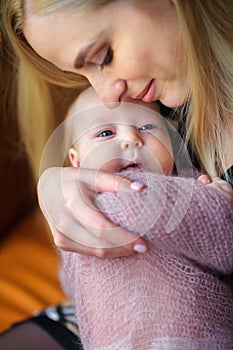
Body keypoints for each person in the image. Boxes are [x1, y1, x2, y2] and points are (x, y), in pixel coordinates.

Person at [0, 0, 232, 348]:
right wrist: (56, 185)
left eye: (104, 56)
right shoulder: (172, 105)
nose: (110, 93)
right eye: (85, 74)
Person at [59, 87, 233, 349]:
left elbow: (224, 246)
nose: (131, 139)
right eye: (106, 133)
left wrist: (216, 205)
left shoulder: (191, 186)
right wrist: (214, 204)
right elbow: (71, 277)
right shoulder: (82, 205)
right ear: (77, 160)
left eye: (148, 127)